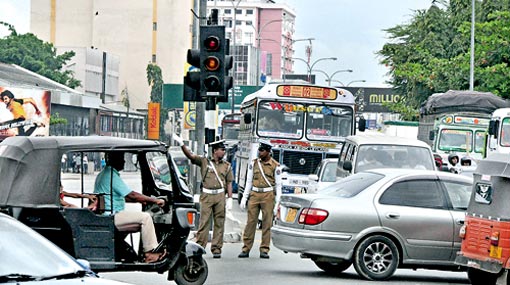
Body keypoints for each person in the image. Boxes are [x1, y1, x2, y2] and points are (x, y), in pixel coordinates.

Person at [93, 152, 166, 263]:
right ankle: (150, 253)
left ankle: (144, 252)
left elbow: (120, 197)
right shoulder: (111, 175)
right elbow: (131, 195)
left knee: (142, 218)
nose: (124, 161)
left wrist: (142, 201)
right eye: (121, 158)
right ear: (113, 159)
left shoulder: (104, 174)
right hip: (111, 216)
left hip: (108, 214)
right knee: (145, 218)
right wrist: (155, 200)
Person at [173, 134, 233, 259]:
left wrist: (230, 198)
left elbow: (229, 182)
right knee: (204, 222)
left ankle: (217, 248)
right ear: (215, 151)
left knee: (219, 223)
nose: (223, 152)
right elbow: (190, 156)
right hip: (207, 195)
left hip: (220, 196)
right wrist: (181, 144)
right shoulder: (204, 161)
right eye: (222, 150)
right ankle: (200, 246)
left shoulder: (226, 165)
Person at [238, 141, 281, 259]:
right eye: (259, 150)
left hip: (268, 194)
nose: (259, 153)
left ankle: (264, 249)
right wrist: (245, 198)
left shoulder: (275, 166)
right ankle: (246, 248)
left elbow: (278, 185)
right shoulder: (254, 163)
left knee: (267, 223)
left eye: (262, 151)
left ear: (268, 152)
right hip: (255, 194)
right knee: (251, 222)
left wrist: (277, 202)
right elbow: (248, 181)